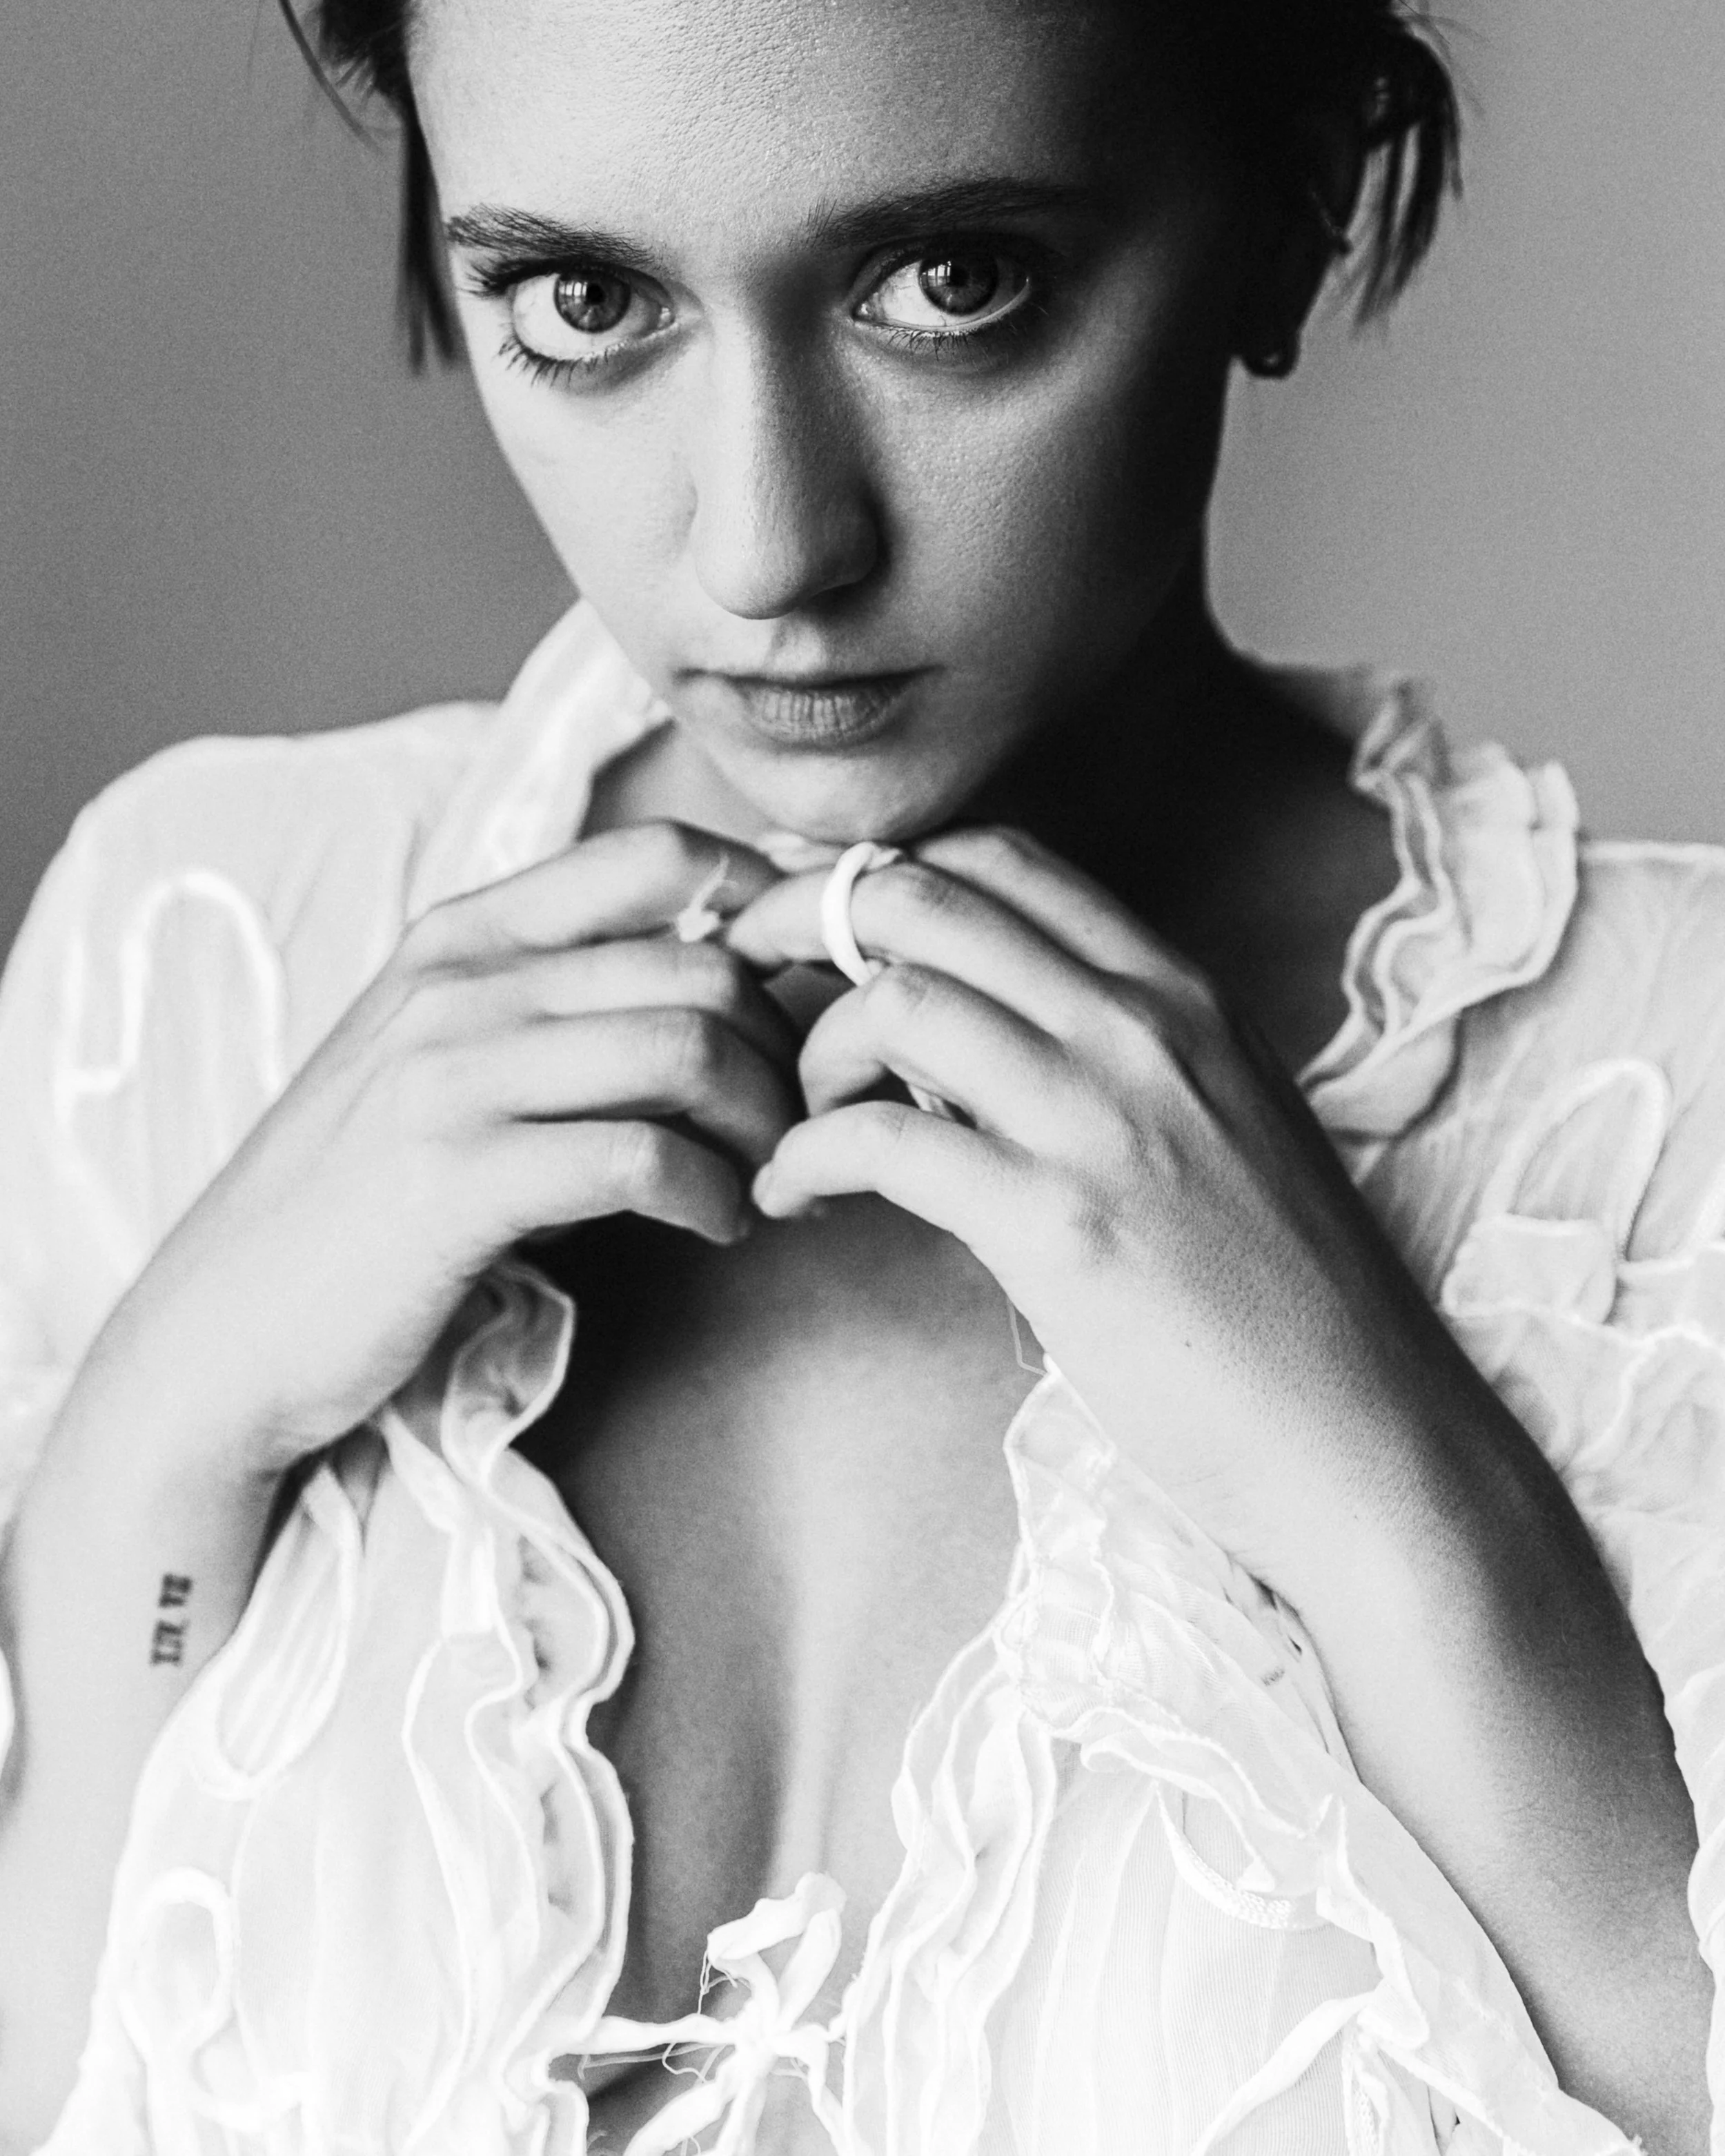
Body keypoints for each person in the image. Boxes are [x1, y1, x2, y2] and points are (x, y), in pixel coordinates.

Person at [0, 0, 1717, 2148]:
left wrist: (1390, 1494)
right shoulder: (202, 955)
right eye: (586, 299)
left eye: (953, 282)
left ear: (1289, 205)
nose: (765, 552)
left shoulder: (1666, 1098)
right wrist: (153, 1457)